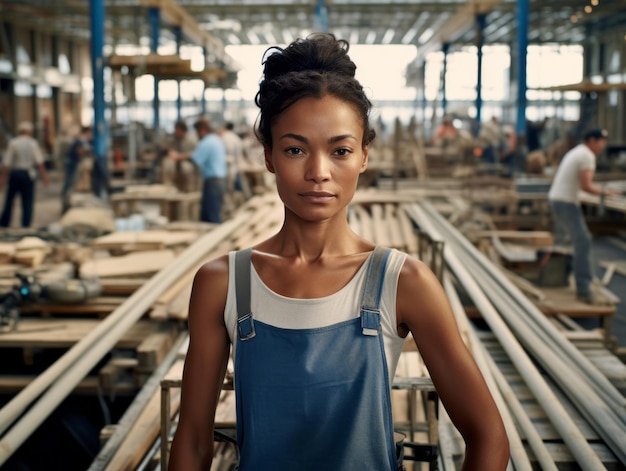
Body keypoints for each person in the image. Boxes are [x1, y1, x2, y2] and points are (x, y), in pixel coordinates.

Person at [168, 34, 509, 471]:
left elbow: (489, 436)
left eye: (340, 150)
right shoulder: (224, 283)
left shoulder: (402, 283)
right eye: (295, 149)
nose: (318, 173)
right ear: (268, 155)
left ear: (364, 156)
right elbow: (193, 442)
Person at [547, 128, 621, 304]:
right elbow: (586, 185)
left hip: (557, 199)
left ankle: (558, 277)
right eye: (602, 141)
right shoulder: (587, 155)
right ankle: (583, 288)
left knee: (565, 241)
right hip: (566, 202)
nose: (604, 145)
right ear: (593, 141)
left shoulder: (576, 152)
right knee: (583, 242)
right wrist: (606, 192)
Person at [171, 117, 227, 223]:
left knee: (211, 217)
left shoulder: (206, 142)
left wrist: (178, 157)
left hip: (213, 181)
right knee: (212, 212)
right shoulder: (216, 139)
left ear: (201, 130)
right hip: (220, 180)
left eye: (197, 132)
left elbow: (196, 158)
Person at [0, 121, 50, 228]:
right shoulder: (33, 143)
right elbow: (39, 162)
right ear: (29, 131)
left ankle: (4, 223)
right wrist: (44, 176)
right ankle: (26, 223)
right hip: (27, 174)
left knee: (9, 200)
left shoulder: (13, 142)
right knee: (27, 201)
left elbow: (6, 162)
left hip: (15, 174)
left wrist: (3, 178)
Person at [60, 125, 92, 213]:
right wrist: (88, 151)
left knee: (71, 183)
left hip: (73, 163)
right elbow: (79, 151)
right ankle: (65, 204)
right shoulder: (80, 141)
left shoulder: (82, 141)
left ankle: (67, 202)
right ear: (86, 132)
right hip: (71, 164)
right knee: (69, 183)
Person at [162, 119, 198, 192]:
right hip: (175, 160)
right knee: (167, 163)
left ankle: (188, 191)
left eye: (178, 130)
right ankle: (167, 188)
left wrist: (180, 156)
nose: (176, 132)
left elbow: (196, 154)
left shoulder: (191, 140)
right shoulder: (174, 138)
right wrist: (171, 152)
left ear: (183, 130)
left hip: (189, 161)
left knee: (186, 168)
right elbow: (168, 149)